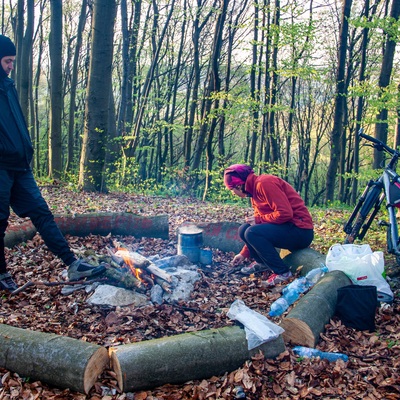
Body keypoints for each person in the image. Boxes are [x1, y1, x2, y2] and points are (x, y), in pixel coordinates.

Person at [0, 34, 105, 291]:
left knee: (42, 213)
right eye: (7, 61)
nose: (11, 66)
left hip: (20, 166)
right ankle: (1, 274)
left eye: (12, 61)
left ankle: (72, 264)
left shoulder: (9, 86)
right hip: (0, 167)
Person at [224, 164, 314, 286]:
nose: (233, 193)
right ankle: (262, 262)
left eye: (231, 189)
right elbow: (257, 224)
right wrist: (243, 254)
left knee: (252, 231)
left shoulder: (264, 183)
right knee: (244, 229)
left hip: (300, 231)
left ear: (239, 185)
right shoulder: (253, 192)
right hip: (286, 227)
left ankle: (283, 273)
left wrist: (259, 220)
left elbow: (285, 213)